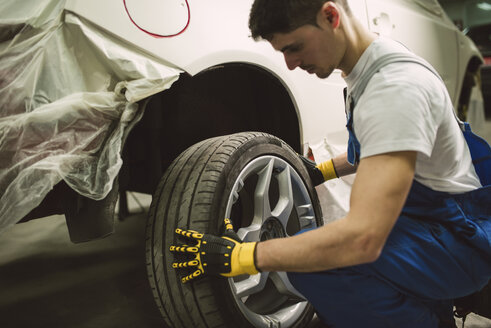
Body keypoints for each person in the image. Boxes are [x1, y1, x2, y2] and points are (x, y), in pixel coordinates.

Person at [170, 1, 491, 327]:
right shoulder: (373, 63)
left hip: (458, 240)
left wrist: (245, 256)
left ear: (330, 16)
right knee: (313, 243)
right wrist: (322, 170)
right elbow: (382, 149)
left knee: (317, 262)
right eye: (282, 52)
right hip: (431, 220)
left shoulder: (394, 90)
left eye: (294, 47)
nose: (291, 64)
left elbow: (363, 240)